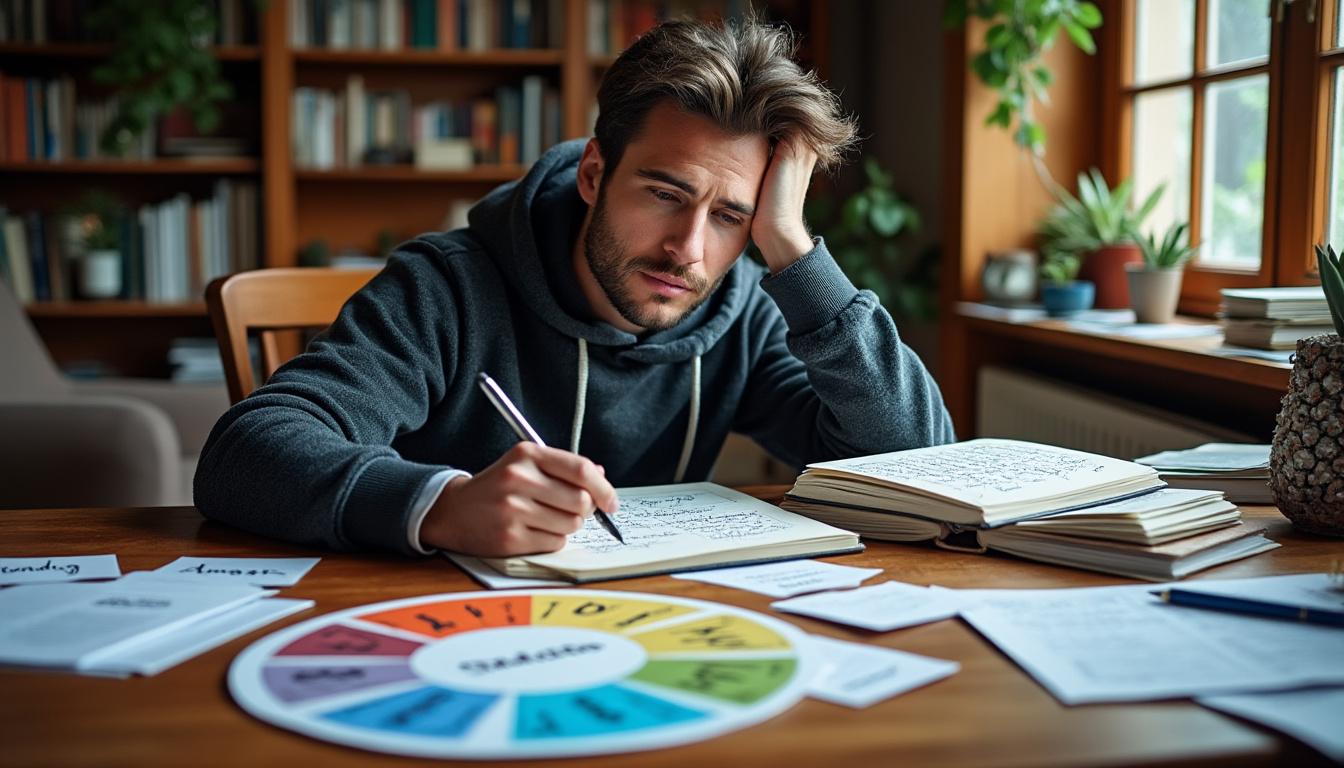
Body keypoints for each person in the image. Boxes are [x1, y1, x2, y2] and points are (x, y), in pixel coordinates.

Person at [194, 16, 955, 558]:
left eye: (731, 215)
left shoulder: (742, 310)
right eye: (664, 193)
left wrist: (791, 252)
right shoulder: (447, 289)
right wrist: (443, 507)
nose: (686, 249)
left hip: (644, 632)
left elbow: (918, 465)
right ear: (595, 173)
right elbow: (245, 455)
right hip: (440, 631)